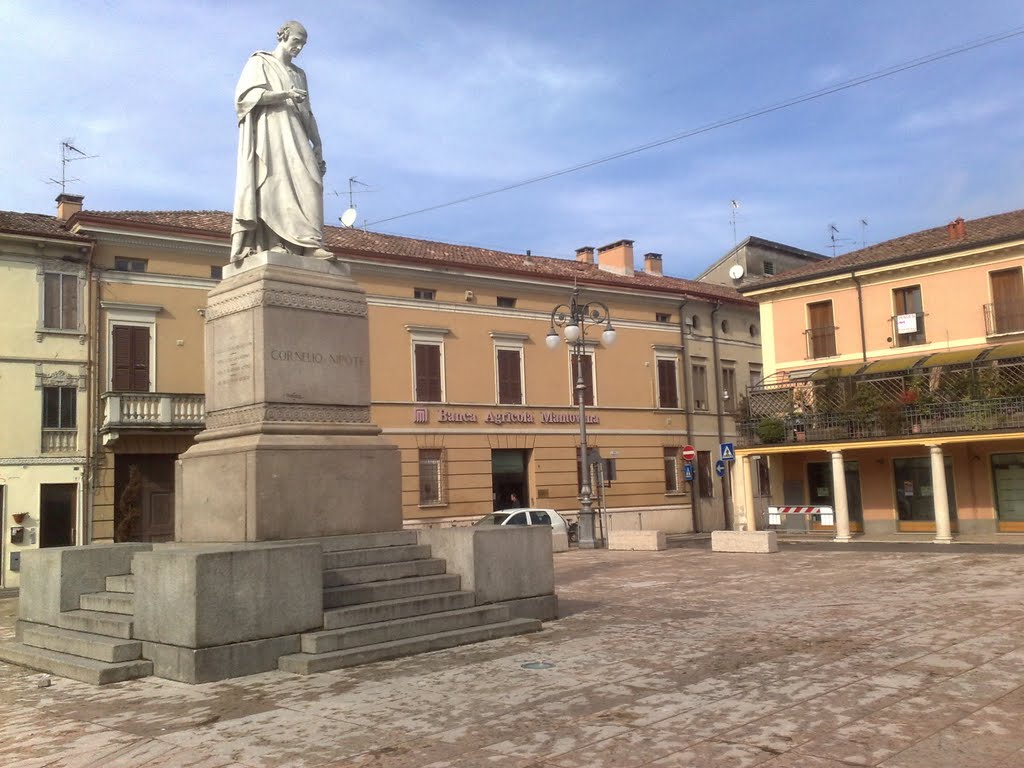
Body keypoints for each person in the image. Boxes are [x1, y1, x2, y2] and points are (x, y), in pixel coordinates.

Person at [231, 20, 334, 263]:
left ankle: (309, 244)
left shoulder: (299, 74)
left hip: (297, 131)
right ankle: (276, 242)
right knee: (273, 182)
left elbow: (307, 111)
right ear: (283, 36)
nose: (299, 48)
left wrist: (317, 144)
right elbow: (245, 99)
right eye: (296, 41)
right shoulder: (260, 62)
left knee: (311, 182)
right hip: (271, 130)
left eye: (303, 44)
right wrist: (285, 94)